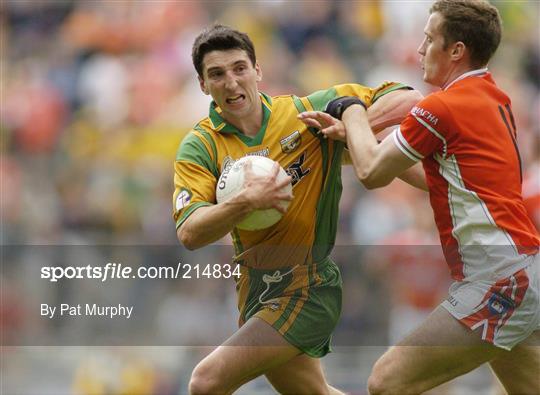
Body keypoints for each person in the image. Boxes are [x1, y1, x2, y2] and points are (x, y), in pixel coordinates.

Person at [298, 1, 540, 394]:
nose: (419, 49)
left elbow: (372, 172)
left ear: (456, 50)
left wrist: (352, 110)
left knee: (386, 381)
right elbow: (439, 180)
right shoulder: (496, 98)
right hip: (522, 272)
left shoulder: (441, 107)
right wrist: (361, 139)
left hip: (497, 279)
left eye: (429, 39)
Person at [173, 24, 421, 394]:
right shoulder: (200, 147)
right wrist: (246, 201)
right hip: (255, 289)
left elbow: (409, 97)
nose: (231, 81)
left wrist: (350, 124)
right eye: (217, 74)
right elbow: (190, 232)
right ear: (202, 85)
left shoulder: (305, 114)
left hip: (309, 287)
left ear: (258, 71)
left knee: (206, 382)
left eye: (240, 68)